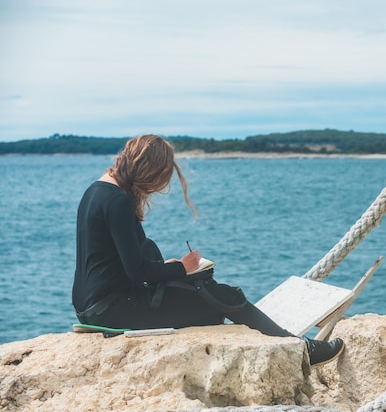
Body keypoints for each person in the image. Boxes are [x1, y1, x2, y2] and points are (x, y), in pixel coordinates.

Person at [72, 134, 344, 367]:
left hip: (93, 306)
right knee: (226, 296)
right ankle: (301, 350)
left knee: (210, 311)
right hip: (113, 309)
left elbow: (112, 262)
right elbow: (137, 270)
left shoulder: (96, 191)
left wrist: (167, 267)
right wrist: (183, 267)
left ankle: (292, 345)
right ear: (148, 171)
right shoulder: (117, 201)